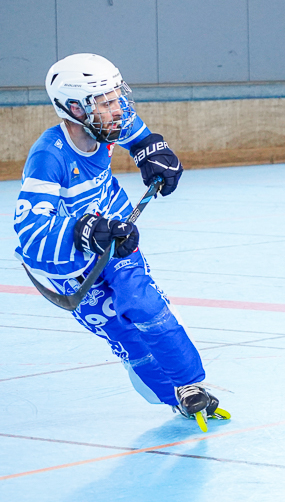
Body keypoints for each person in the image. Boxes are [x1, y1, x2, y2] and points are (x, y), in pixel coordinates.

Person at [13, 53, 228, 430]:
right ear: (75, 109)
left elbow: (137, 134)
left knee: (143, 304)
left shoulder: (105, 126)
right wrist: (81, 231)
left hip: (116, 236)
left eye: (117, 97)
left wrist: (151, 149)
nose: (118, 109)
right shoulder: (49, 157)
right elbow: (30, 233)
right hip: (70, 266)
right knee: (125, 332)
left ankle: (189, 385)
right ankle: (167, 394)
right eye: (107, 102)